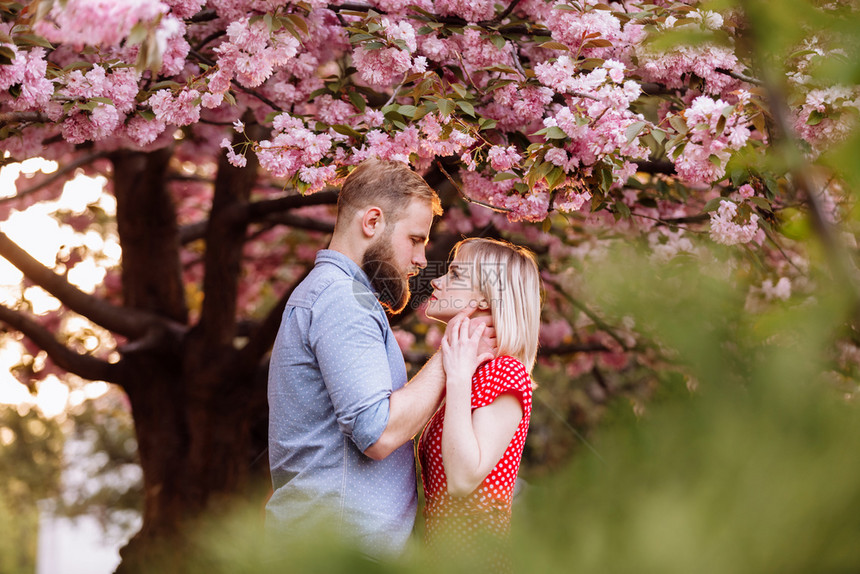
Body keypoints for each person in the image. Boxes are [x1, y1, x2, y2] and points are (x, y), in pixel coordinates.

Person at [266, 158, 490, 557]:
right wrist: (453, 351)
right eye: (416, 239)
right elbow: (379, 433)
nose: (422, 260)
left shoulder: (342, 296)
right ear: (372, 222)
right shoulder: (340, 299)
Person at [418, 237, 542, 567]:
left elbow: (462, 479)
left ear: (486, 298)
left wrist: (457, 376)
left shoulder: (505, 372)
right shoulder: (475, 373)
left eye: (455, 274)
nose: (436, 280)